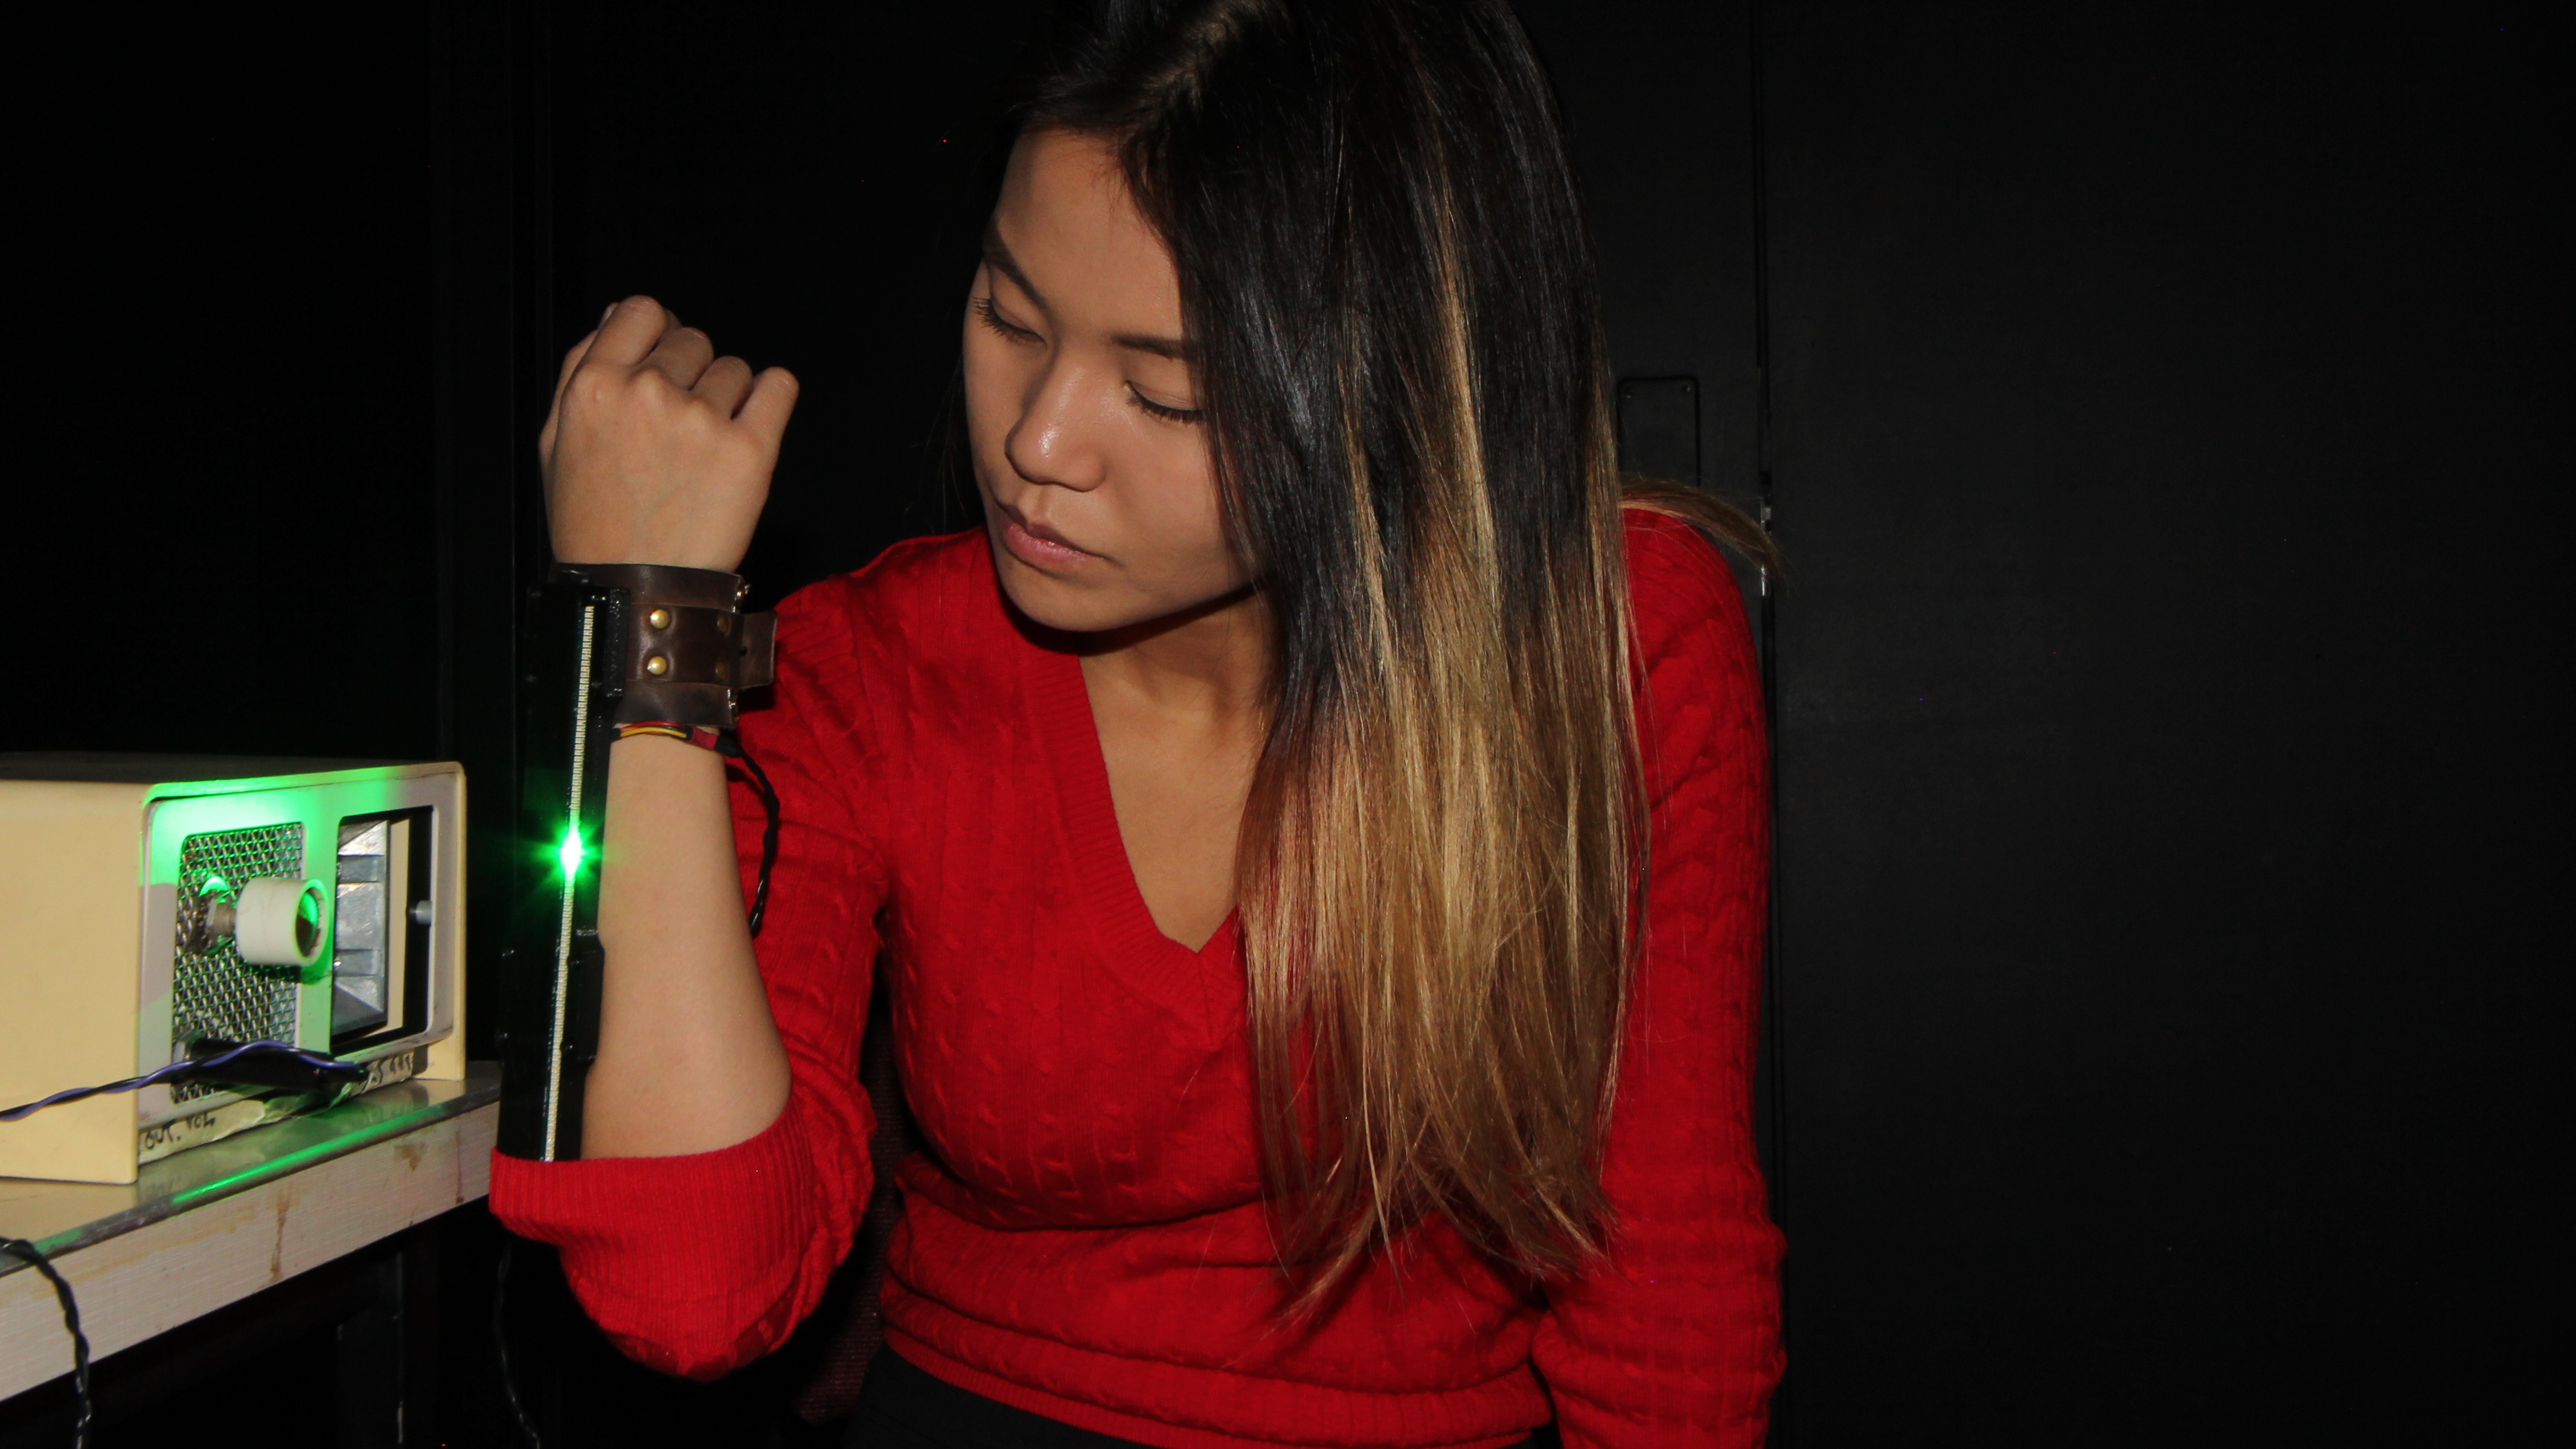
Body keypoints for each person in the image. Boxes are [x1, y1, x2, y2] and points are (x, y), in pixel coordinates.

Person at [492, 1, 1784, 1444]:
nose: (1035, 442)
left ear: (1399, 389)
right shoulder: (873, 669)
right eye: (1008, 316)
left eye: (1166, 394)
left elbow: (1667, 1300)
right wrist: (650, 634)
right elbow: (691, 1294)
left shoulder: (1610, 643)